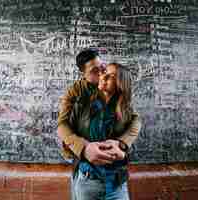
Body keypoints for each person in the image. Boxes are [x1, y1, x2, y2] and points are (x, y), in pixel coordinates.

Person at [57, 49, 141, 200]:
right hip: (88, 175)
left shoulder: (119, 98)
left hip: (115, 179)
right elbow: (62, 125)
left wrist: (122, 144)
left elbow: (135, 120)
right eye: (95, 71)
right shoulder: (77, 93)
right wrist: (84, 148)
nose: (102, 73)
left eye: (103, 67)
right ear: (84, 75)